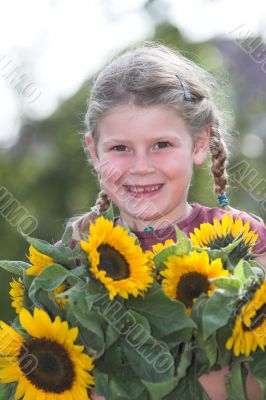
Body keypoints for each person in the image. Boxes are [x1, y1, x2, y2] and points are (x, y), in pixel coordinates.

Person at [64, 43, 266, 399]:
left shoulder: (243, 242)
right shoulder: (76, 257)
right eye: (120, 148)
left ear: (200, 143)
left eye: (161, 144)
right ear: (94, 153)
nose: (141, 166)